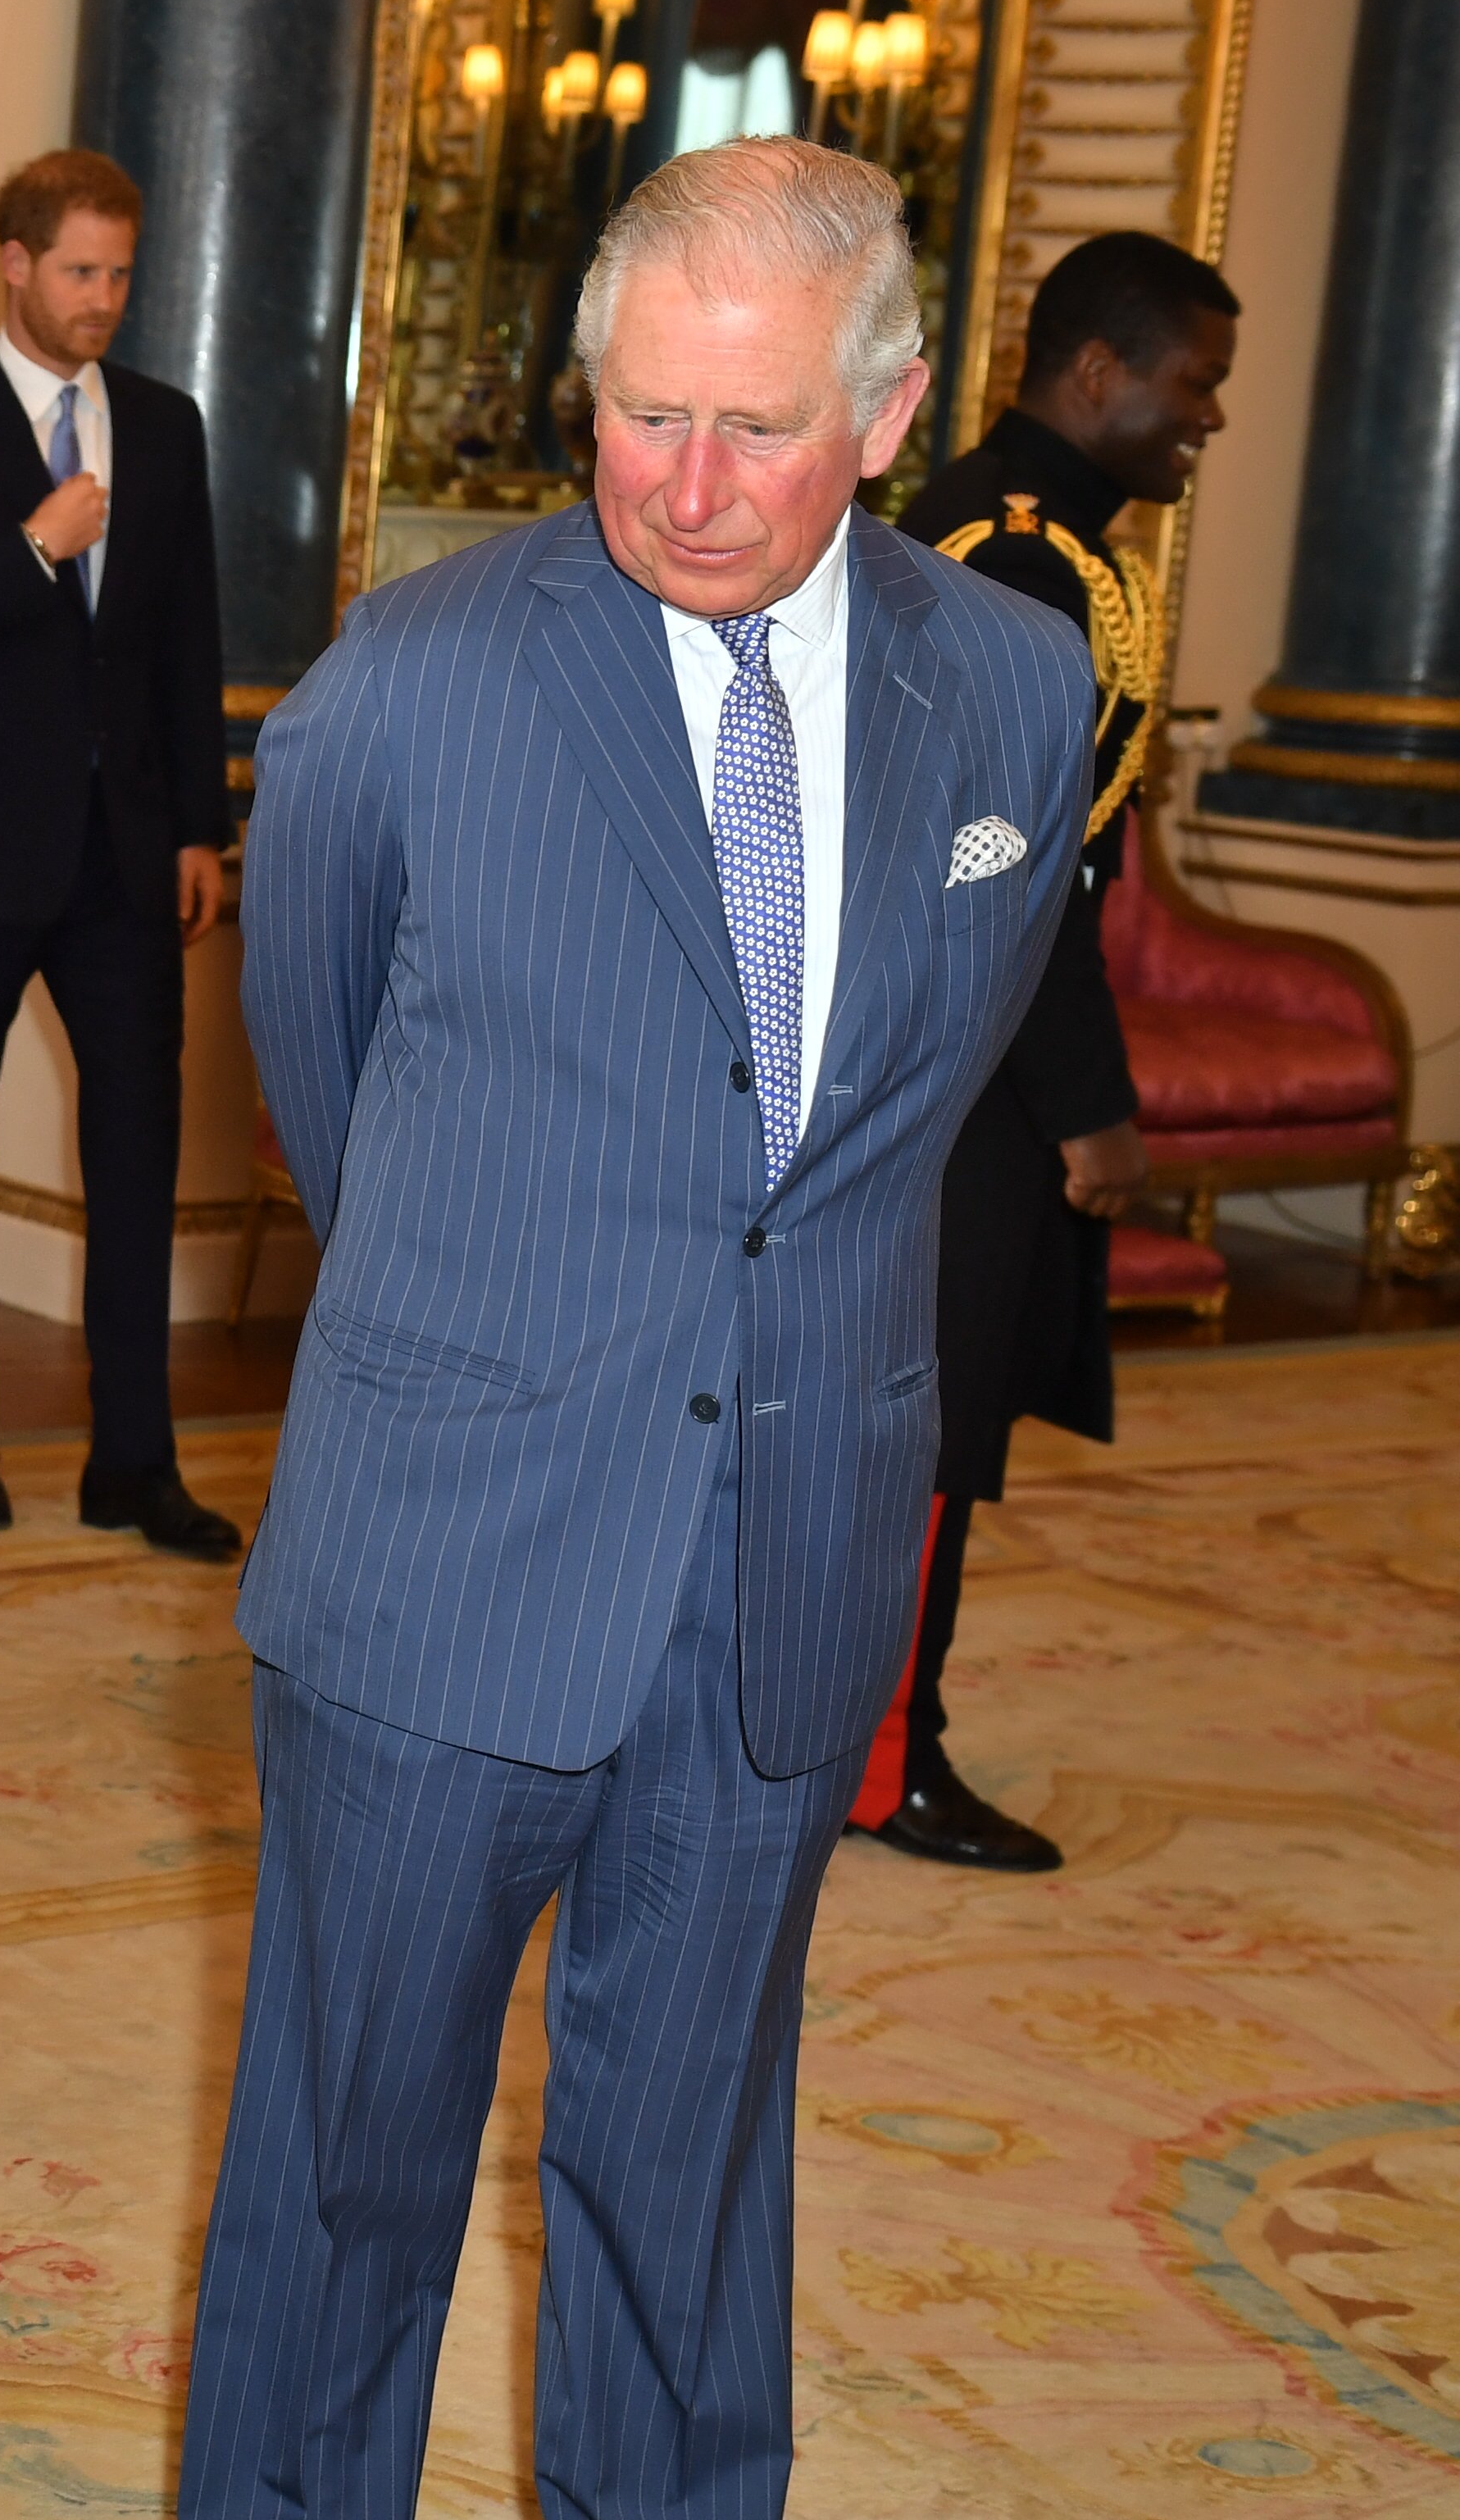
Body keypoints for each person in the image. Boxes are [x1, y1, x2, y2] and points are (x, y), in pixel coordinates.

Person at [186, 136, 1086, 2518]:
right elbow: (318, 1055)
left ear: (882, 413)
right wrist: (505, 1296)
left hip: (781, 1539)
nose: (680, 486)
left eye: (752, 429)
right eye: (635, 413)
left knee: (684, 2204)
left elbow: (894, 1102)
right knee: (341, 2184)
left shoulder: (1009, 687)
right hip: (442, 1545)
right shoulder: (412, 685)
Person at [861, 231, 1236, 1873]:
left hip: (975, 1049)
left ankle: (870, 1738)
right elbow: (1009, 863)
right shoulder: (1012, 557)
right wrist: (1085, 1102)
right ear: (1098, 370)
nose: (1203, 420)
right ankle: (877, 1761)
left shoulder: (1033, 535)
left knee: (932, 1416)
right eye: (1192, 385)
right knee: (920, 1434)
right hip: (965, 1068)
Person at [0, 148, 239, 1553]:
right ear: (15, 263)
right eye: (80, 272)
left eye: (120, 276)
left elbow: (187, 634)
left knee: (137, 1154)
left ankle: (133, 1463)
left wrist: (202, 824)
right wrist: (34, 547)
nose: (103, 301)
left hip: (127, 857)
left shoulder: (163, 424)